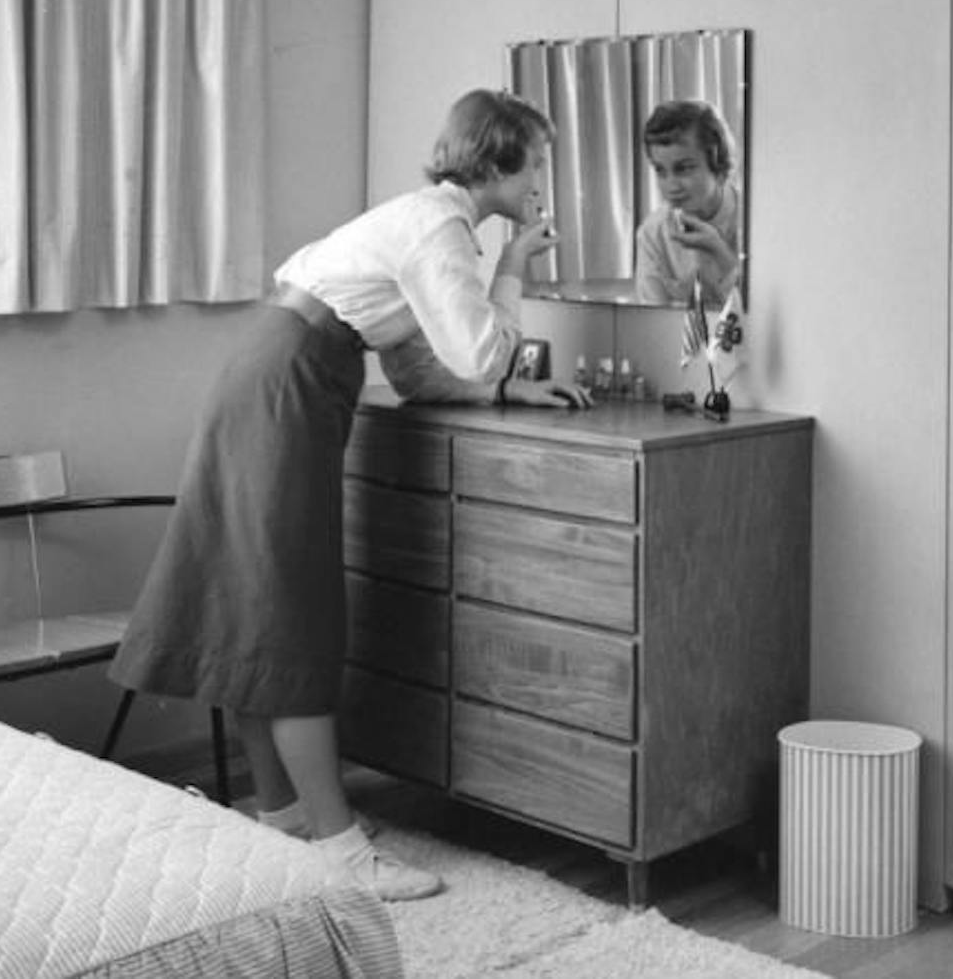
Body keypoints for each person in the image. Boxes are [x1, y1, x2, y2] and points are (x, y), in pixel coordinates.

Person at [109, 89, 592, 902]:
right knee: (288, 607)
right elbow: (477, 353)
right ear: (500, 160)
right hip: (289, 383)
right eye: (536, 161)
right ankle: (340, 846)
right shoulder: (443, 231)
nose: (542, 179)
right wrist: (512, 271)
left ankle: (285, 817)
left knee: (259, 600)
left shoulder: (423, 223)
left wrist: (505, 396)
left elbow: (411, 365)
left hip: (273, 370)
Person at [632, 98, 743, 307]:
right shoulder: (652, 234)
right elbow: (654, 322)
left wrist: (720, 251)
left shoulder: (755, 222)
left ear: (717, 164)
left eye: (683, 168)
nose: (671, 186)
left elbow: (765, 315)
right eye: (660, 171)